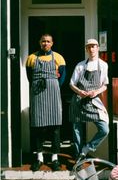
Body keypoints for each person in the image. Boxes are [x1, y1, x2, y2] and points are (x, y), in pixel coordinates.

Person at [26, 34, 66, 171]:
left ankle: (55, 157)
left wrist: (53, 86)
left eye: (48, 41)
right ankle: (39, 157)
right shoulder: (31, 58)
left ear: (52, 43)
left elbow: (63, 75)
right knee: (38, 126)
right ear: (39, 42)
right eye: (43, 41)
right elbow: (29, 76)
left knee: (55, 127)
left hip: (53, 94)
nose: (45, 43)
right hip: (37, 93)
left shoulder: (58, 57)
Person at [69, 38, 109, 161]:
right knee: (77, 129)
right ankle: (78, 156)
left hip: (93, 101)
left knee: (104, 129)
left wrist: (95, 92)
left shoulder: (103, 65)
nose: (91, 49)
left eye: (94, 46)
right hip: (79, 100)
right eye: (89, 47)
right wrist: (80, 92)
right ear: (86, 49)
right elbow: (71, 84)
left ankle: (87, 148)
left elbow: (105, 85)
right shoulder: (80, 65)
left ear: (98, 48)